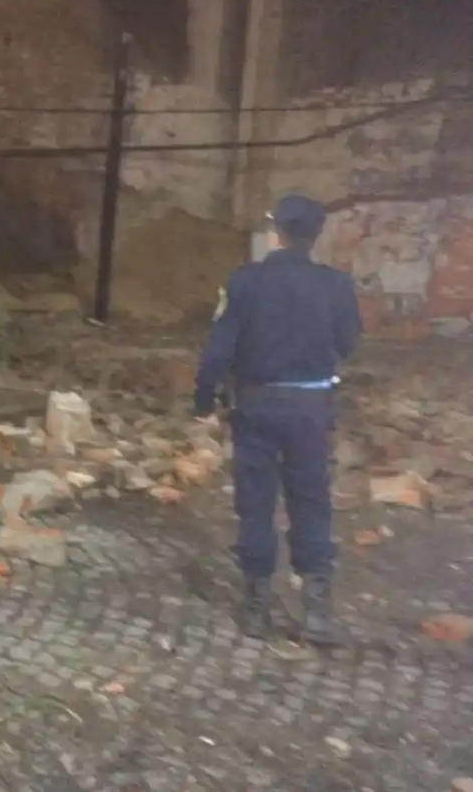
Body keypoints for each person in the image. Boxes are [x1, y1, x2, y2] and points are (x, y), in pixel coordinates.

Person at [193, 193, 362, 646]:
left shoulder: (246, 282)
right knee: (311, 499)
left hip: (257, 407)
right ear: (314, 235)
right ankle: (317, 607)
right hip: (311, 408)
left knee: (256, 502)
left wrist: (203, 399)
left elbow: (220, 349)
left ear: (277, 232)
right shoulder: (337, 285)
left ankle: (257, 601)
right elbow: (347, 342)